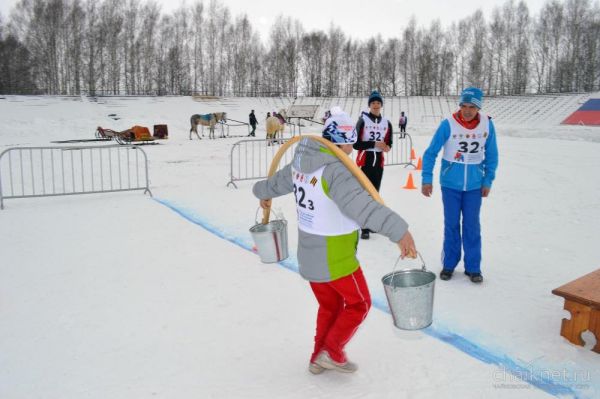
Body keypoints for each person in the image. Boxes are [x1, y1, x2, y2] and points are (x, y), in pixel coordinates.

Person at [252, 106, 417, 374]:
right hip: (336, 257)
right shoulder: (336, 171)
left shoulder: (301, 163)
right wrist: (400, 231)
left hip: (309, 254)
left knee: (329, 306)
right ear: (343, 142)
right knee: (359, 304)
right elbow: (364, 207)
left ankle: (319, 355)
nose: (351, 151)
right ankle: (332, 350)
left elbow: (274, 184)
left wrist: (261, 191)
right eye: (350, 145)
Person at [421, 87, 498, 283]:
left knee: (472, 226)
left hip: (474, 185)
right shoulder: (448, 124)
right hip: (450, 185)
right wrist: (426, 179)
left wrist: (487, 180)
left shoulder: (487, 125)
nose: (467, 110)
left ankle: (473, 267)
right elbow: (431, 153)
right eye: (464, 105)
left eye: (472, 106)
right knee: (451, 224)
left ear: (478, 107)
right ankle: (449, 264)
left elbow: (492, 155)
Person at [353, 90, 393, 240]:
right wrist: (374, 143)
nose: (376, 105)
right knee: (365, 194)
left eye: (378, 103)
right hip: (365, 161)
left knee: (375, 193)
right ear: (369, 105)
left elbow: (389, 142)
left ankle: (371, 223)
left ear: (381, 105)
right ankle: (363, 226)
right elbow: (356, 144)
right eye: (373, 103)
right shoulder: (363, 120)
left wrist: (387, 147)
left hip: (379, 162)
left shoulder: (386, 122)